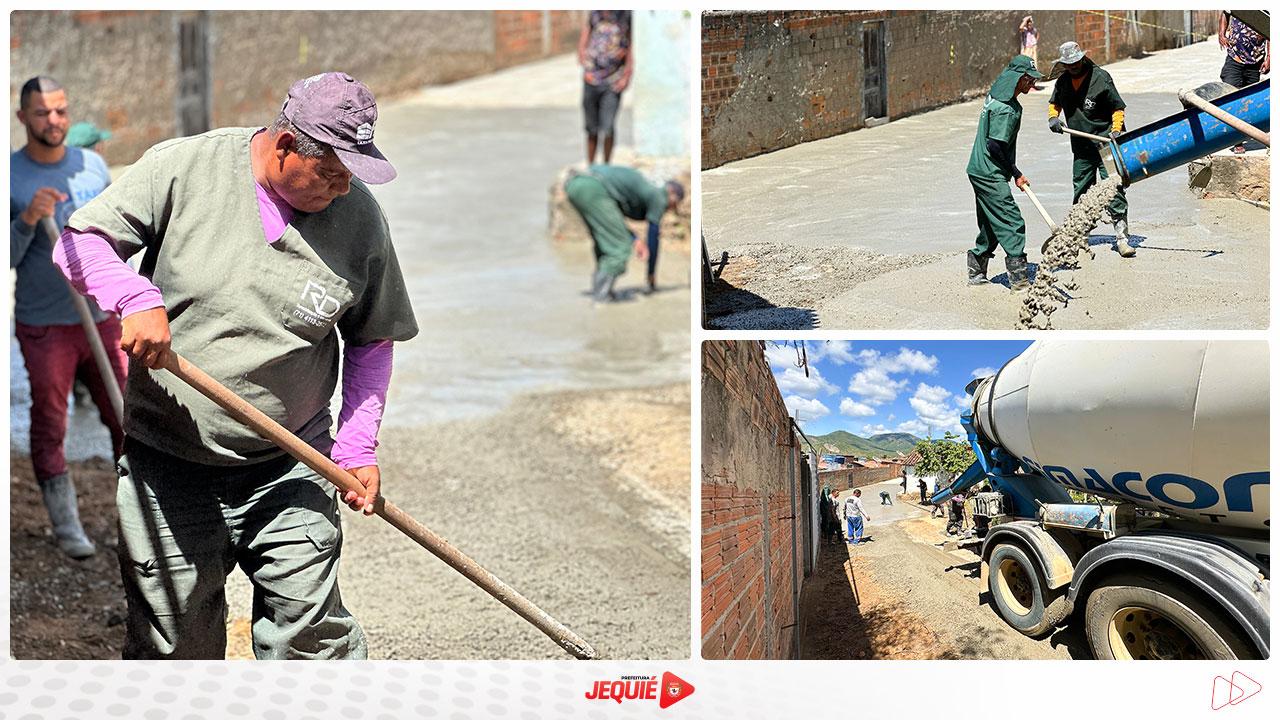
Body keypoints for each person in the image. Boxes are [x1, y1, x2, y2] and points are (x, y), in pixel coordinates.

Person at [55, 72, 419, 660]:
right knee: (173, 646)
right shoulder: (183, 169)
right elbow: (77, 243)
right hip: (168, 465)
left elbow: (373, 341)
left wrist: (356, 449)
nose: (344, 187)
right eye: (331, 170)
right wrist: (135, 296)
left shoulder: (361, 221)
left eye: (352, 171)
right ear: (284, 146)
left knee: (312, 641)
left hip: (291, 463)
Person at [10, 75, 125, 560]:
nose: (53, 121)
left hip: (102, 316)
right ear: (23, 118)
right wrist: (27, 222)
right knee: (51, 420)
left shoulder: (93, 166)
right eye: (42, 113)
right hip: (45, 324)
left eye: (60, 111)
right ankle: (68, 527)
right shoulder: (10, 177)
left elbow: (121, 233)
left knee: (130, 417)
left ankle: (142, 518)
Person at [1047, 41, 1133, 258]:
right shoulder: (1064, 81)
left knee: (1112, 187)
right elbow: (1054, 103)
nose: (1073, 67)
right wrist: (1053, 118)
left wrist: (1116, 130)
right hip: (1081, 145)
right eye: (1069, 64)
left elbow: (1117, 107)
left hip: (1105, 143)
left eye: (1076, 63)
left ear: (1082, 59)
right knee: (1081, 188)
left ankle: (1122, 237)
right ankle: (1079, 236)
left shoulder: (1100, 77)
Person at [966, 55, 1043, 291]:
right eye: (1029, 79)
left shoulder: (996, 96)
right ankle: (1019, 282)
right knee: (1011, 221)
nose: (1032, 83)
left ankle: (976, 272)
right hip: (990, 172)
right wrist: (1016, 172)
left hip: (978, 168)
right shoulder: (1006, 109)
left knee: (992, 221)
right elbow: (995, 145)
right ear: (1018, 79)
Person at [564, 164, 684, 299]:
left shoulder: (647, 185)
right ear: (672, 193)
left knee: (604, 243)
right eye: (675, 204)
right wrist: (651, 275)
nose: (671, 209)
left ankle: (600, 292)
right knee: (619, 248)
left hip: (576, 183)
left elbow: (616, 221)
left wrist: (635, 239)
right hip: (594, 188)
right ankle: (601, 300)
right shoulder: (660, 195)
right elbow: (653, 237)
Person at [578, 10, 633, 164]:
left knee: (608, 128)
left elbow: (631, 43)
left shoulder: (625, 15)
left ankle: (606, 167)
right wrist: (584, 62)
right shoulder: (594, 14)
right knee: (591, 129)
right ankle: (591, 166)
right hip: (591, 79)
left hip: (613, 80)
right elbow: (585, 36)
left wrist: (627, 74)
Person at [1217, 13, 1269, 154]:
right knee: (1231, 98)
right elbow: (1225, 13)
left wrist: (1269, 57)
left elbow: (1271, 31)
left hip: (1255, 60)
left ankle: (1244, 134)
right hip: (1234, 57)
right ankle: (1236, 141)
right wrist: (1222, 34)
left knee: (1248, 102)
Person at [1018, 16, 1041, 89]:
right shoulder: (1024, 30)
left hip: (1033, 49)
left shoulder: (1034, 30)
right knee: (1026, 67)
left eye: (1031, 24)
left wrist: (1036, 42)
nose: (1030, 26)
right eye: (1028, 24)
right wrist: (1026, 20)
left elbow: (1037, 34)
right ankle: (1025, 85)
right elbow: (1020, 27)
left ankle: (1033, 85)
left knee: (1033, 66)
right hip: (1026, 49)